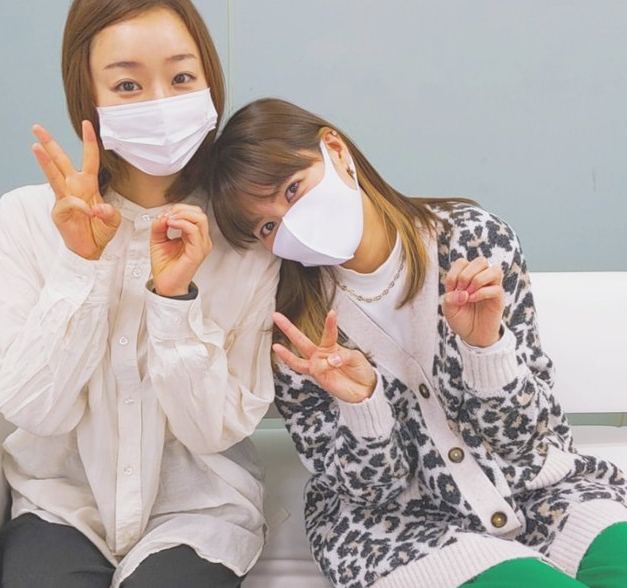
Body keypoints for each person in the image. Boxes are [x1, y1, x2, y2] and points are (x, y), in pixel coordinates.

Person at [207, 97, 627, 588]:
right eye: (268, 226)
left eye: (293, 189)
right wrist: (363, 406)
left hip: (542, 494)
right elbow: (370, 492)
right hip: (398, 532)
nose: (290, 223)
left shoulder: (474, 240)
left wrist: (486, 350)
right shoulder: (293, 323)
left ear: (336, 150)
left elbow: (527, 442)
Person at [0, 1, 279, 587]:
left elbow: (215, 431)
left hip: (200, 513)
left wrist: (174, 301)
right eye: (127, 85)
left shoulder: (246, 235)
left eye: (182, 77)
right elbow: (32, 410)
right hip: (60, 506)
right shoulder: (26, 217)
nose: (161, 102)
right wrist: (81, 265)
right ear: (88, 96)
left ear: (210, 82)